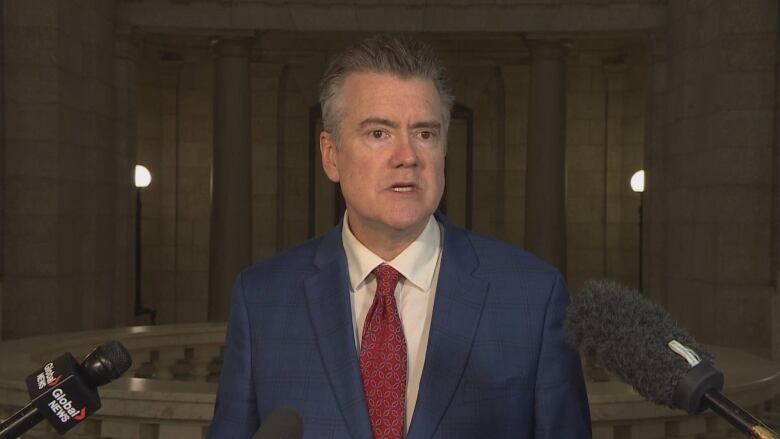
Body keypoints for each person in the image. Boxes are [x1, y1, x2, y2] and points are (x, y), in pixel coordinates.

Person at [208, 34, 591, 439]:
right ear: (331, 155)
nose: (407, 156)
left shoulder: (533, 296)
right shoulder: (262, 299)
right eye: (379, 133)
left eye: (425, 134)